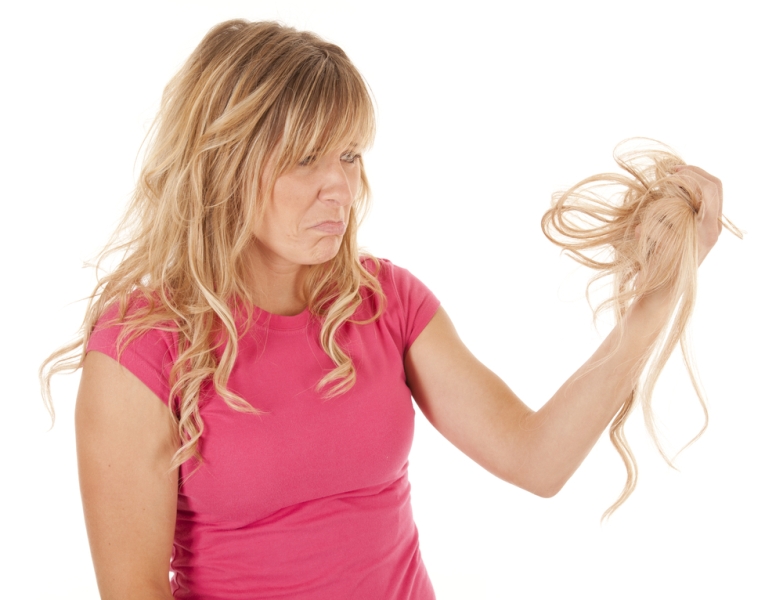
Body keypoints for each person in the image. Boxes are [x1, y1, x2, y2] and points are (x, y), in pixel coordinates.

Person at [41, 19, 725, 600]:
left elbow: (536, 459)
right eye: (306, 158)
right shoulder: (142, 348)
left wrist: (656, 299)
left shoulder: (384, 302)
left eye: (348, 155)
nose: (340, 187)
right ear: (223, 162)